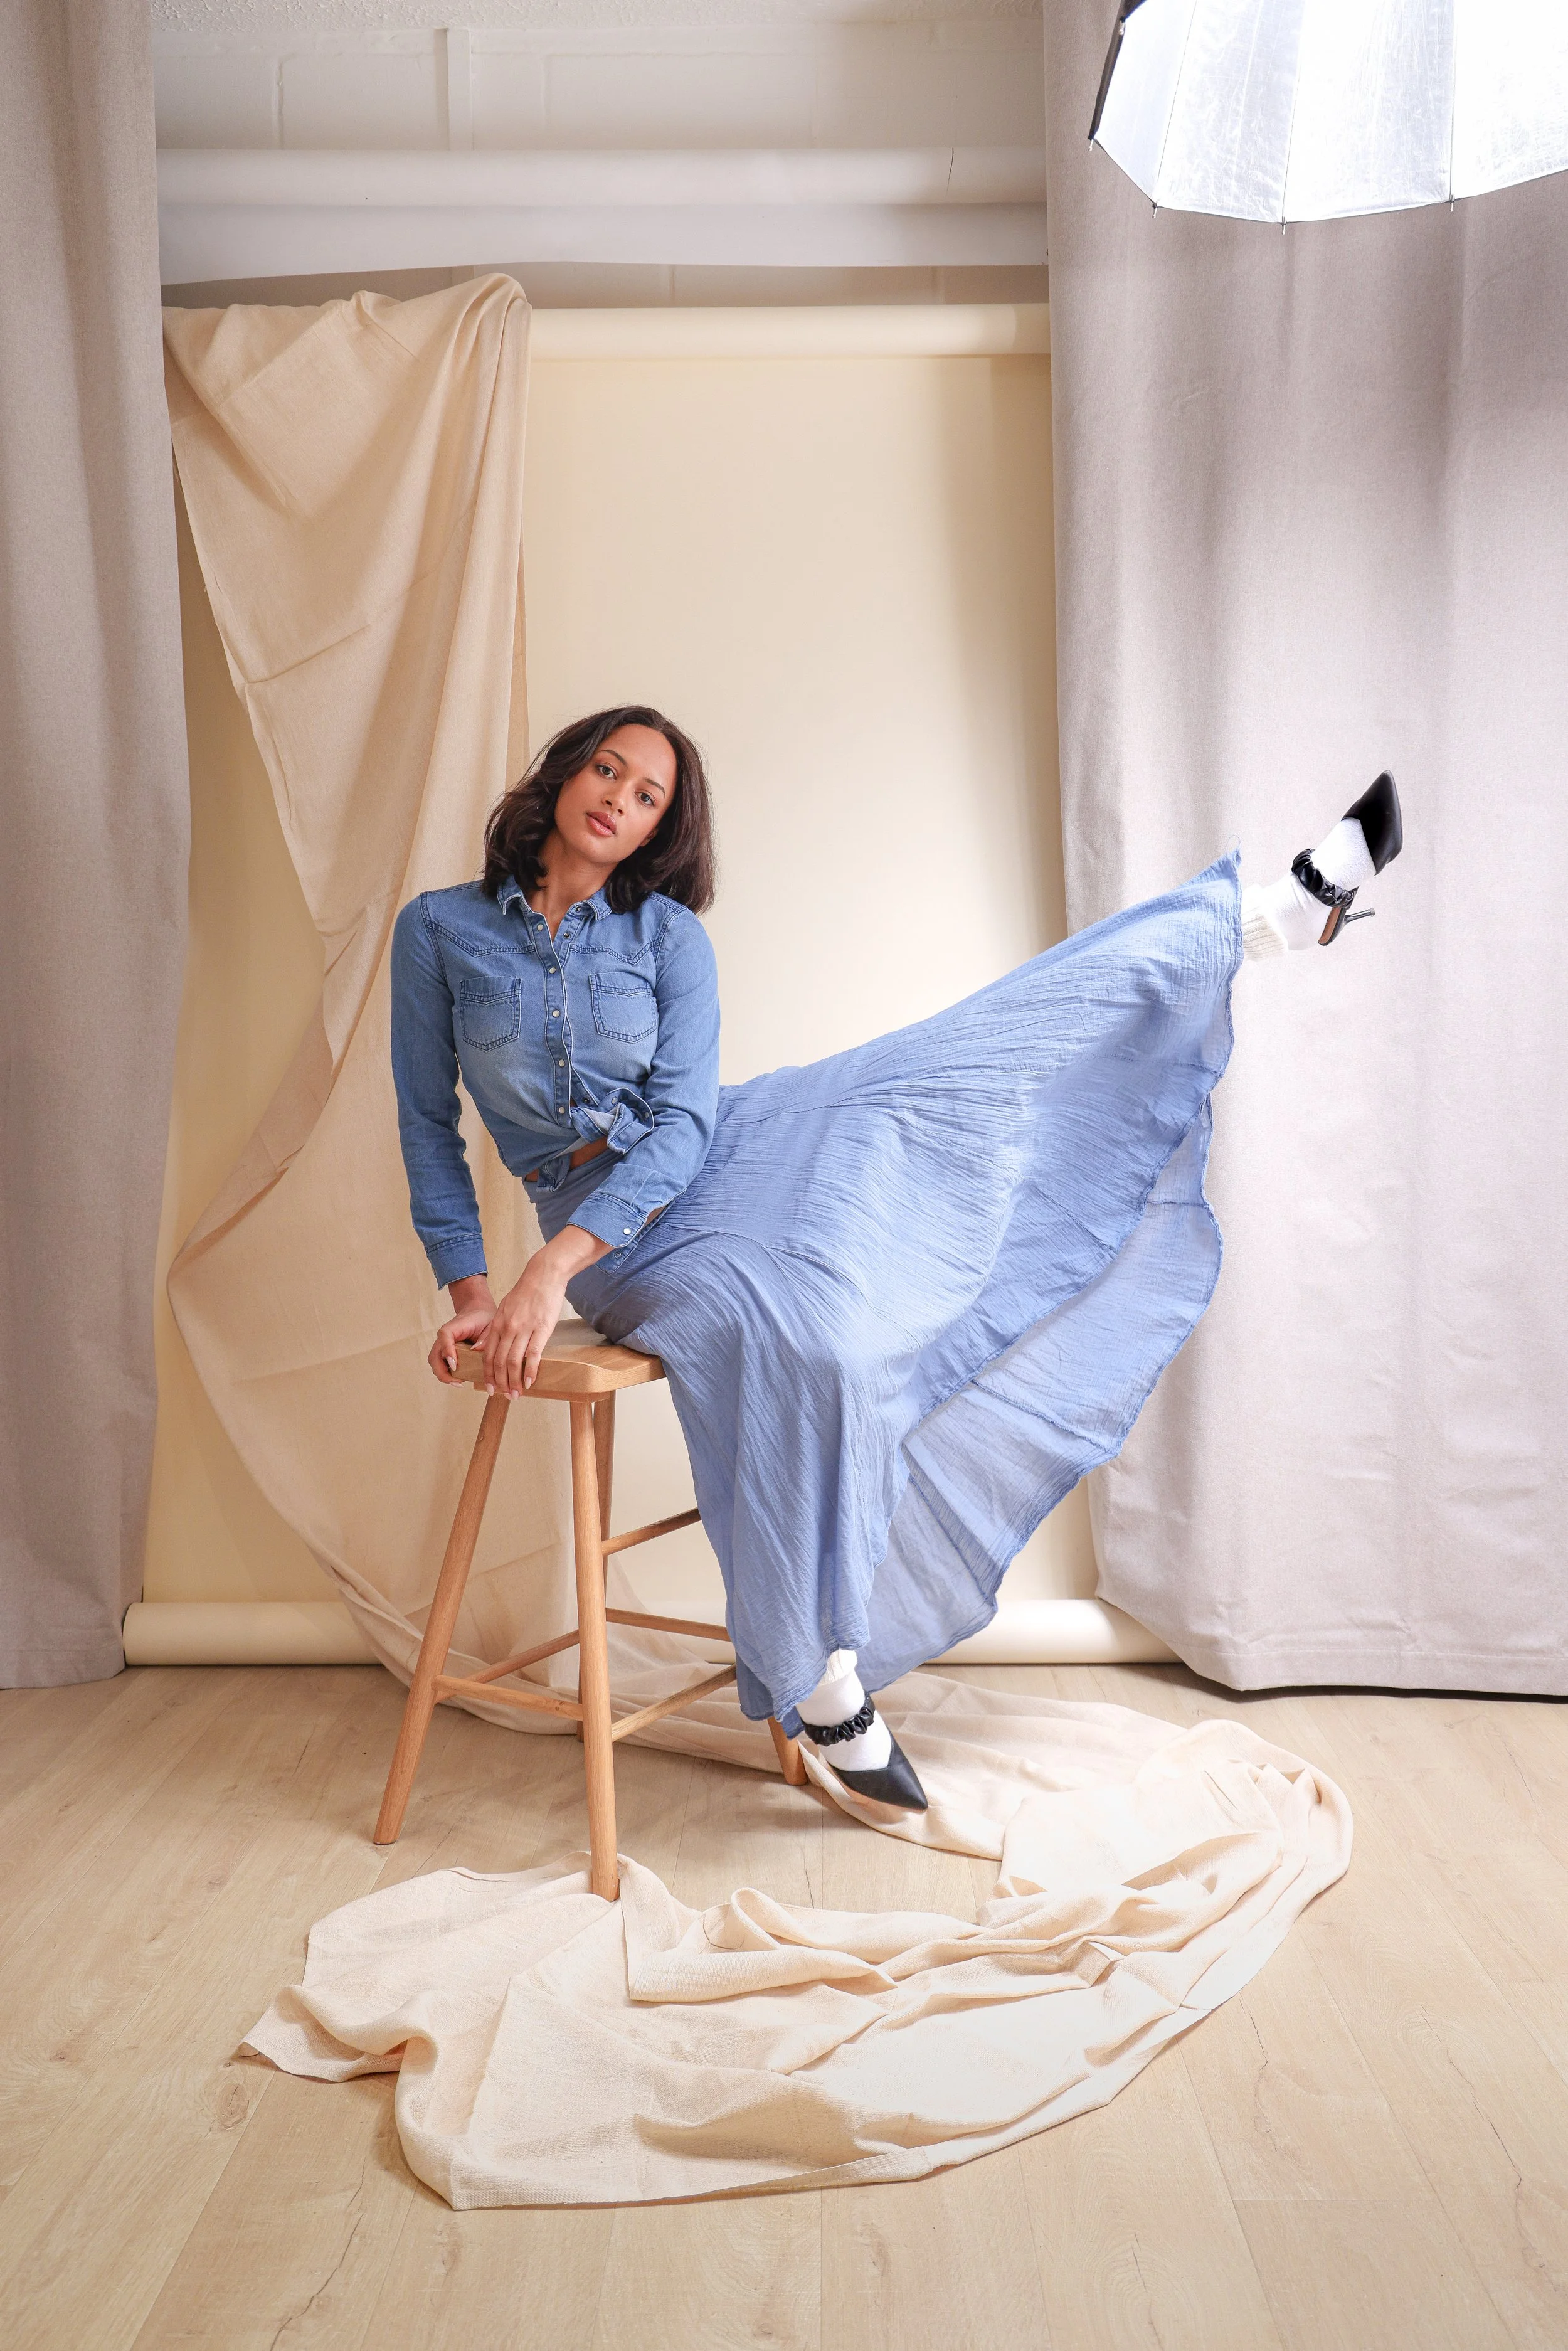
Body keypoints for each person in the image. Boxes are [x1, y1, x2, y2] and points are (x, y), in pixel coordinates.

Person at [391, 706, 1404, 1813]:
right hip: (610, 1232)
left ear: (657, 834)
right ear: (564, 773)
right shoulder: (439, 933)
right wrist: (481, 1293)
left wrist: (547, 1276)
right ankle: (827, 1679)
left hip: (727, 1150)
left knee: (946, 1063)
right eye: (609, 771)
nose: (620, 801)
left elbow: (683, 1128)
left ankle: (1273, 917)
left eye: (649, 799)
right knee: (808, 1341)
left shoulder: (670, 939)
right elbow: (425, 1130)